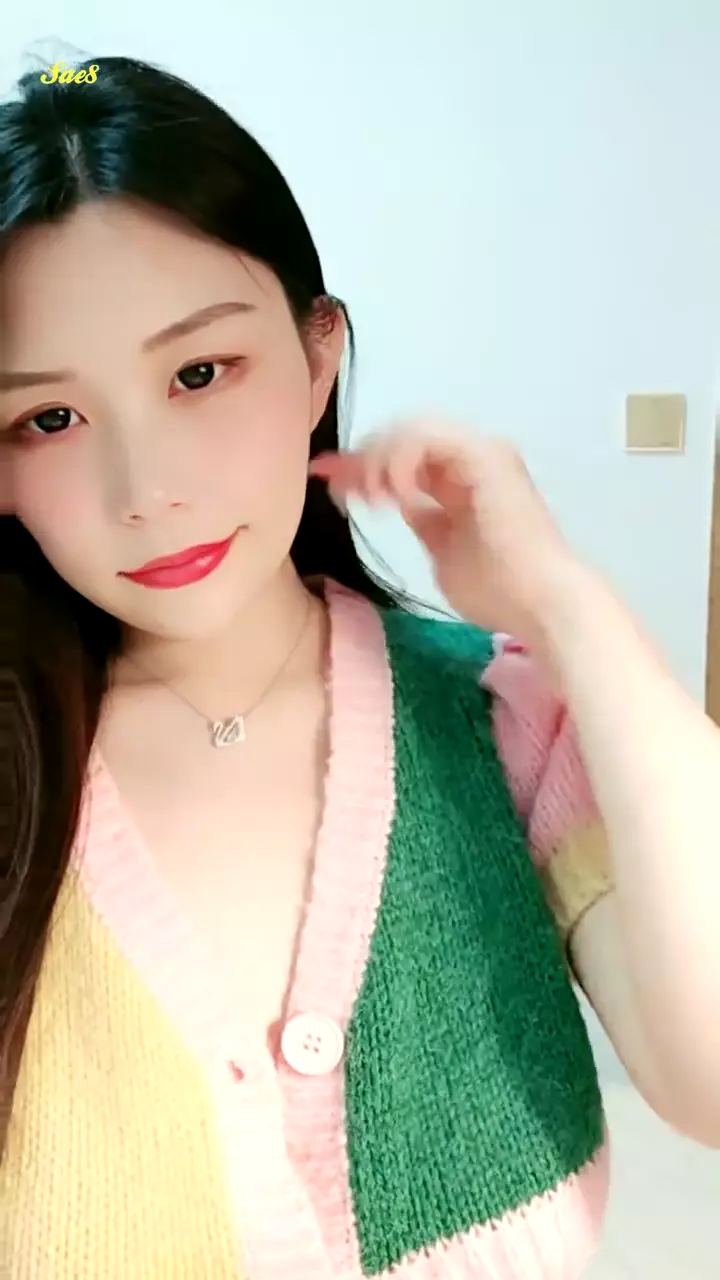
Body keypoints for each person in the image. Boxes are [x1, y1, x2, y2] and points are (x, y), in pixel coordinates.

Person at [0, 54, 719, 1280]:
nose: (147, 489)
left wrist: (571, 605)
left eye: (198, 373)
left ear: (318, 353)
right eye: (48, 418)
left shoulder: (501, 719)